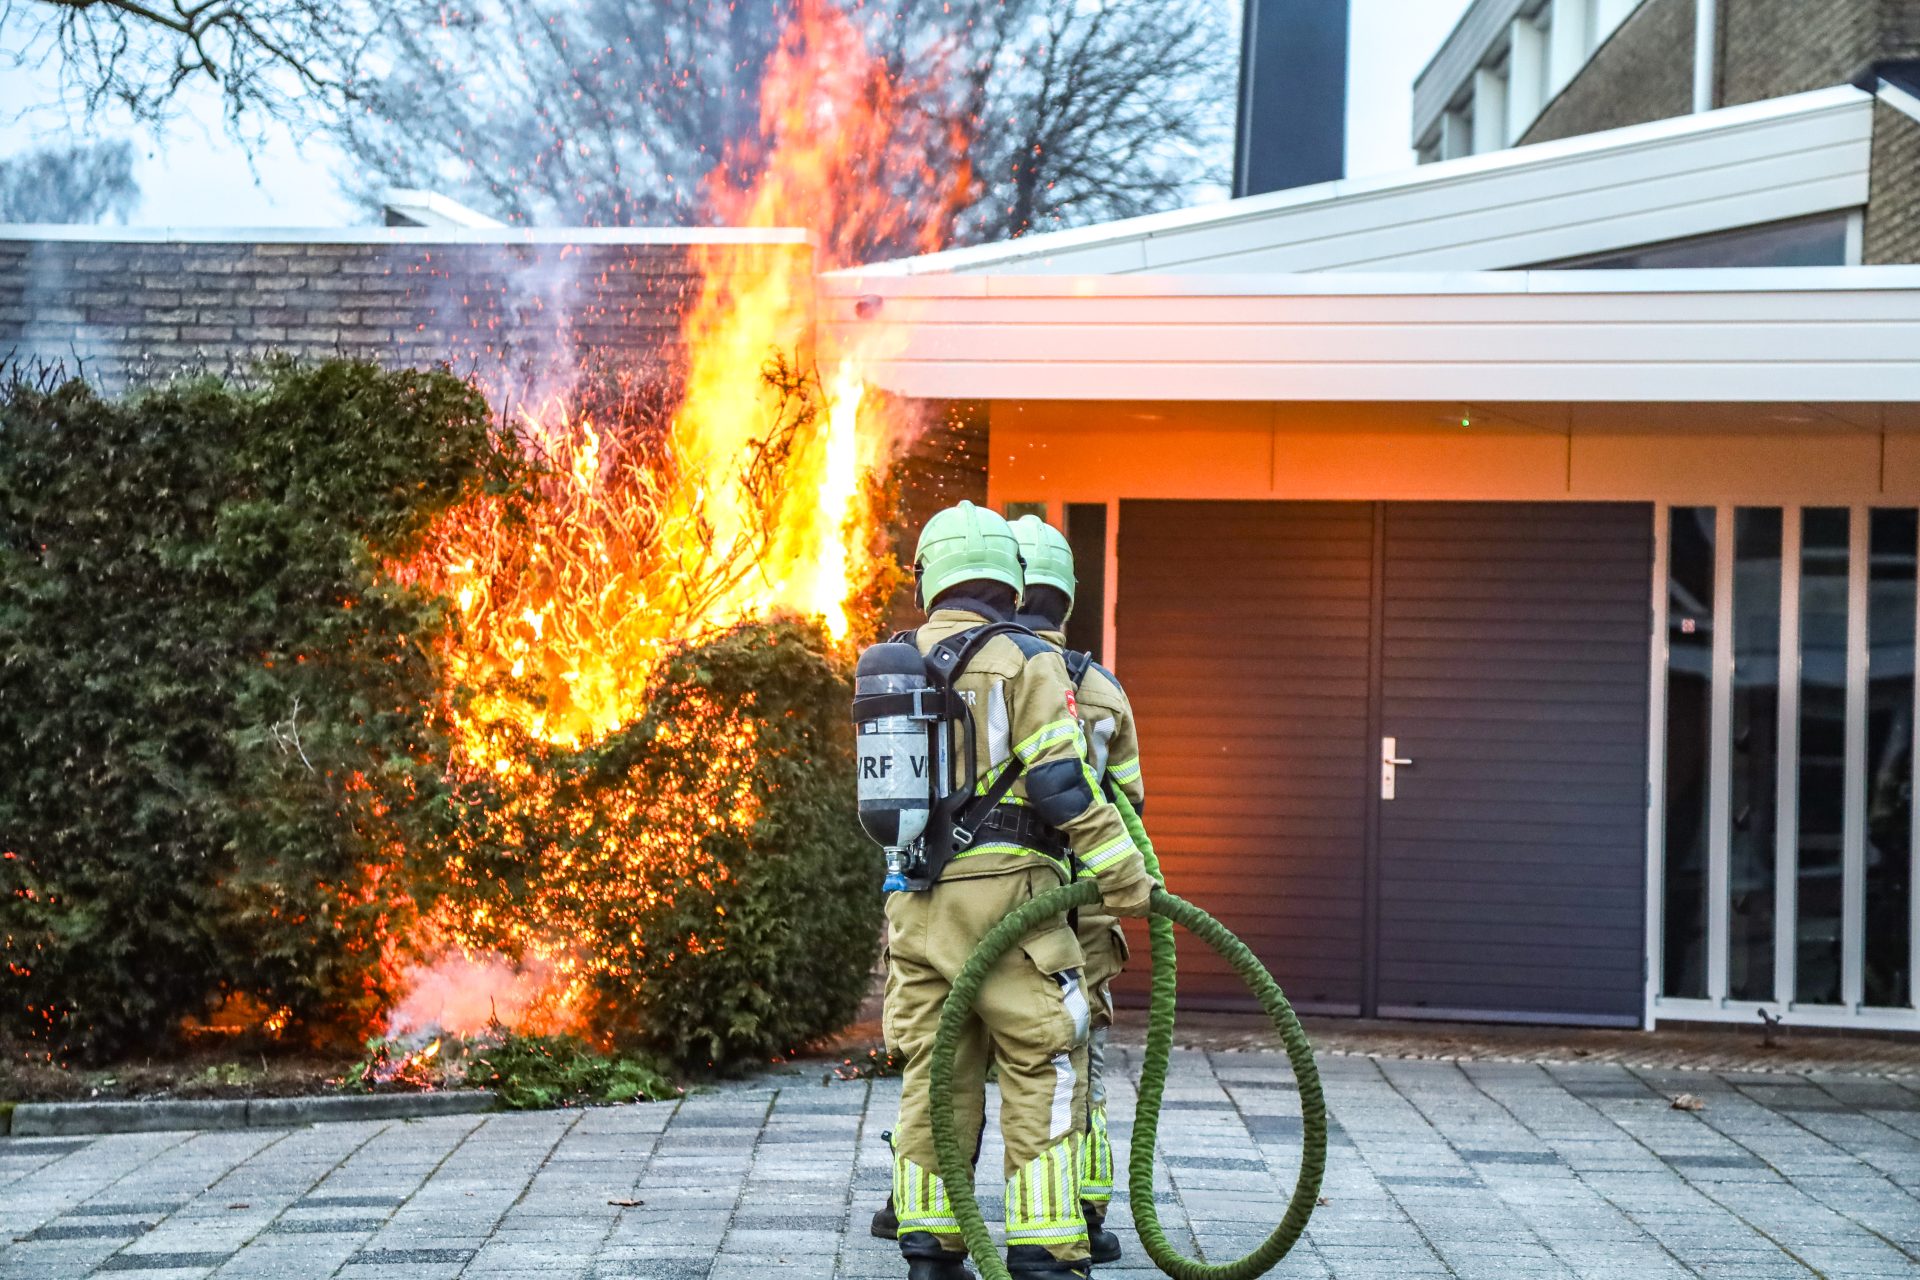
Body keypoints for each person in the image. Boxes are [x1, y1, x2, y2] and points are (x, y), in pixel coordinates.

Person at [883, 501, 1154, 1280]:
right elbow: (1063, 785)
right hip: (1011, 907)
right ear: (1009, 576)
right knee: (1046, 1060)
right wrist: (1124, 874)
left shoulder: (895, 659)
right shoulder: (1026, 659)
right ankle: (1043, 1248)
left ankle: (930, 1249)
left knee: (936, 1070)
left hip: (917, 906)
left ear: (931, 577)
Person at [1009, 514, 1147, 1267]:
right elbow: (1130, 807)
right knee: (1073, 1060)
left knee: (952, 1054)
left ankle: (924, 1215)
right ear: (1065, 599)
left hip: (991, 897)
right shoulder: (1104, 690)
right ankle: (1082, 1216)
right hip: (1083, 908)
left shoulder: (977, 672)